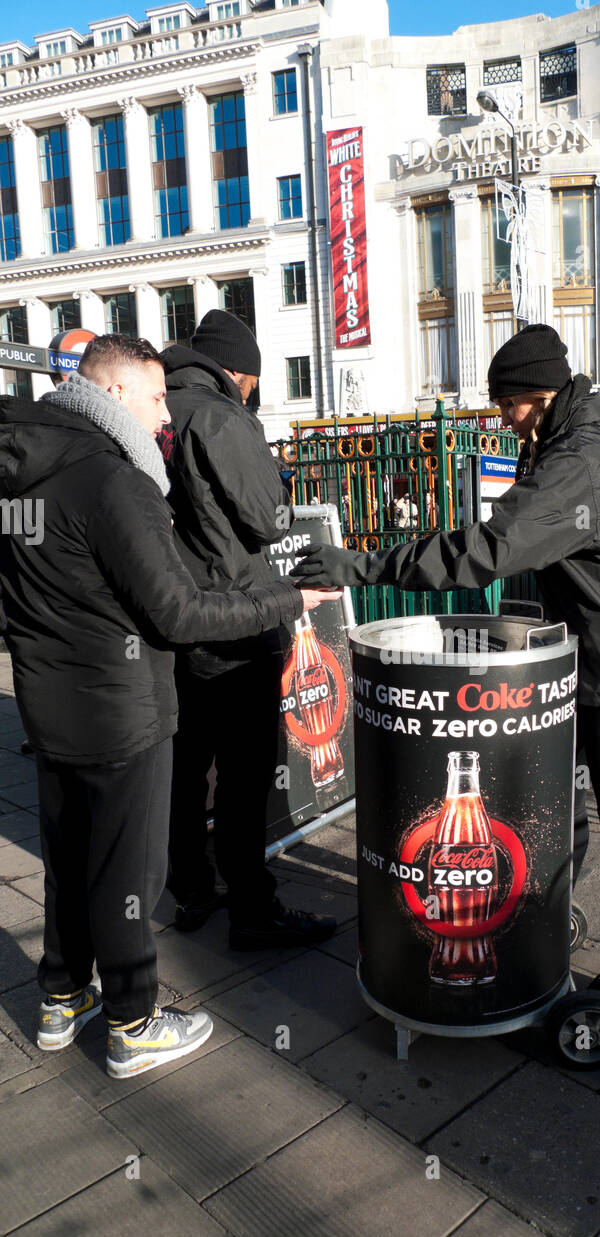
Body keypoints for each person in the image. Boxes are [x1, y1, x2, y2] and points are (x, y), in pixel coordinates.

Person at [294, 323, 600, 1013]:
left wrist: (360, 566)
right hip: (588, 652)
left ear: (536, 395)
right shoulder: (569, 443)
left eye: (506, 405)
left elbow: (486, 551)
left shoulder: (578, 460)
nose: (501, 420)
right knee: (565, 816)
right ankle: (547, 923)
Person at [0, 334, 335, 1077]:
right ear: (113, 394)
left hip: (48, 706)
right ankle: (132, 1020)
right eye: (155, 399)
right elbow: (178, 614)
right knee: (126, 871)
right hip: (121, 710)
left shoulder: (20, 479)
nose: (163, 420)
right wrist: (288, 596)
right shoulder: (113, 482)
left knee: (68, 859)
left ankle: (62, 998)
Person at [161, 310, 334, 949]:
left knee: (183, 772)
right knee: (243, 776)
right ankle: (253, 911)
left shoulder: (157, 405)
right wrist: (279, 489)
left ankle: (191, 891)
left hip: (170, 621)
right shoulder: (221, 415)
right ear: (240, 373)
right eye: (254, 383)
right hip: (235, 622)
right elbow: (267, 521)